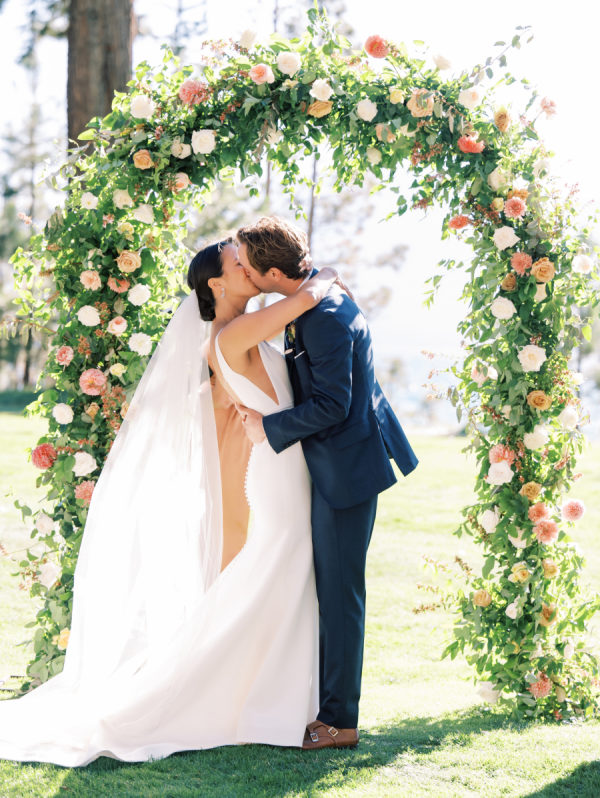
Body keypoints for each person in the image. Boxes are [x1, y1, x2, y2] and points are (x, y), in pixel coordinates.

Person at [0, 238, 341, 766]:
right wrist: (322, 276)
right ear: (216, 284)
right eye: (237, 264)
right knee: (272, 573)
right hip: (276, 474)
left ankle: (267, 696)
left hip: (280, 466)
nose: (248, 268)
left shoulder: (230, 334)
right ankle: (249, 698)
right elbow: (305, 299)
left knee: (279, 576)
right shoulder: (231, 334)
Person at [236, 216, 419, 750]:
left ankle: (339, 721)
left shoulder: (326, 317)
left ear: (273, 272)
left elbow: (332, 404)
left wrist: (266, 428)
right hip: (340, 460)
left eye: (248, 265)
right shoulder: (316, 297)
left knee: (340, 596)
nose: (243, 270)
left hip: (347, 469)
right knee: (333, 591)